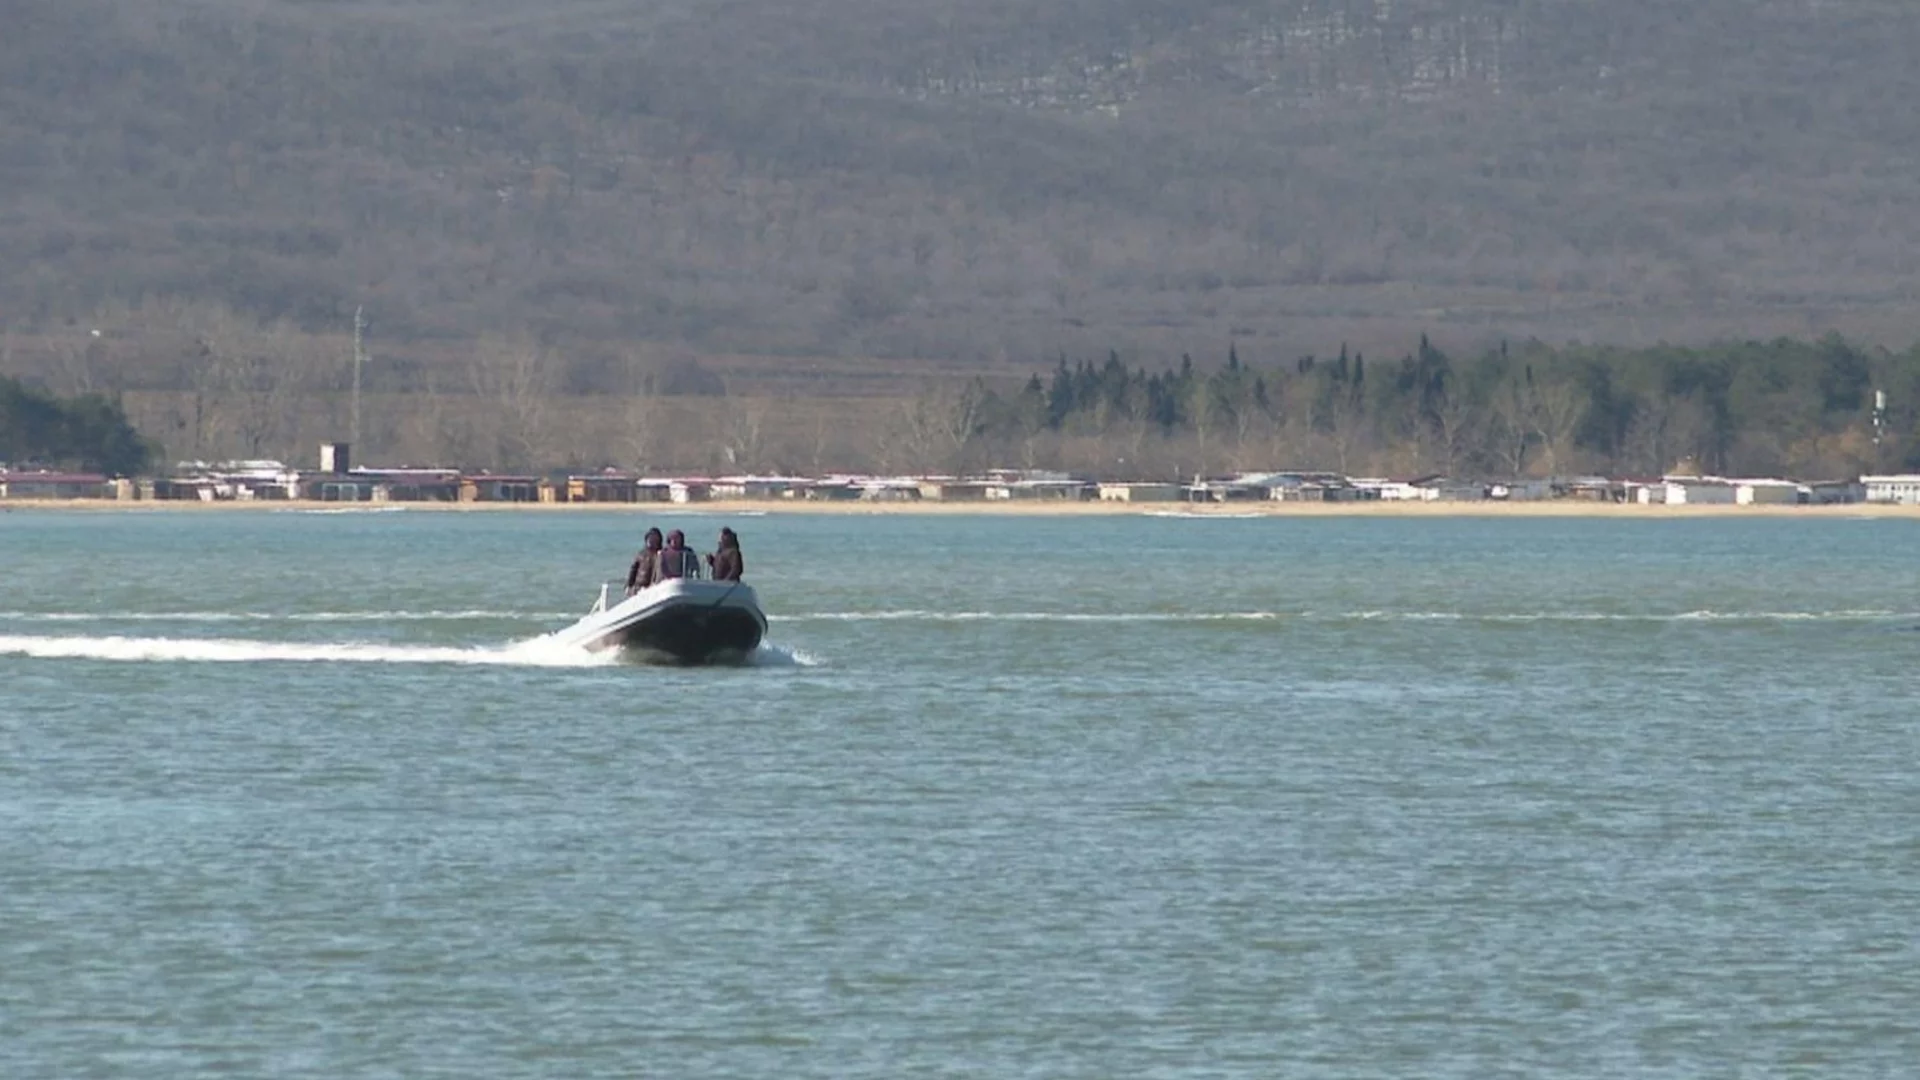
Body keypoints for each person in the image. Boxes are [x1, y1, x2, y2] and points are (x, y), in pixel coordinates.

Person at [625, 527, 663, 594]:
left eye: (654, 539)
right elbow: (633, 570)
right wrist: (629, 585)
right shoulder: (641, 554)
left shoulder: (661, 554)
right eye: (649, 538)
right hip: (639, 586)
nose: (651, 541)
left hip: (654, 587)